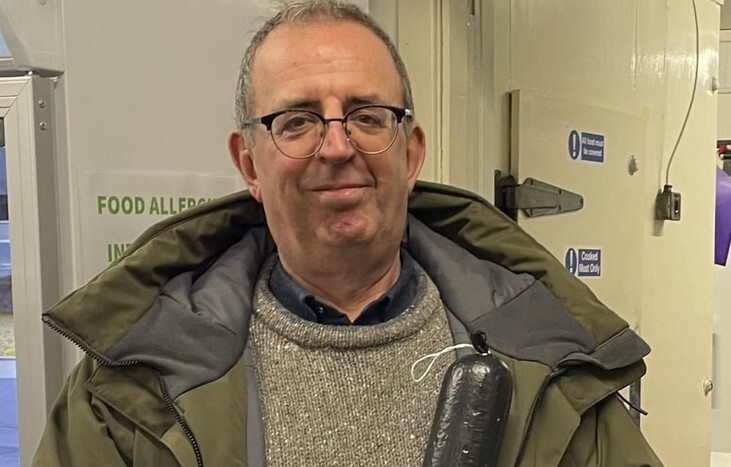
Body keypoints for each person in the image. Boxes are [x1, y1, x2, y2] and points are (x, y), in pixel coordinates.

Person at [32, 1, 663, 466]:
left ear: (410, 152)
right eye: (298, 120)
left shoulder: (554, 365)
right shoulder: (127, 387)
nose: (337, 146)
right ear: (250, 163)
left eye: (366, 115)